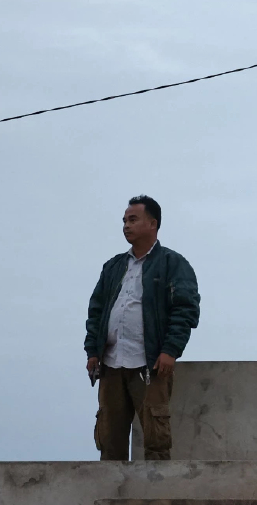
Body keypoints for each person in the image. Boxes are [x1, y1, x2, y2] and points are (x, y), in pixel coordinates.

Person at [84, 195, 200, 461]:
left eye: (133, 219)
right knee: (109, 441)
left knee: (156, 441)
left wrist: (170, 350)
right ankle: (114, 498)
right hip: (111, 365)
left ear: (153, 223)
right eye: (124, 220)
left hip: (149, 366)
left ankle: (156, 498)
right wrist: (92, 351)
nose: (126, 225)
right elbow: (96, 311)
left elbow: (186, 309)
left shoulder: (173, 263)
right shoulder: (113, 267)